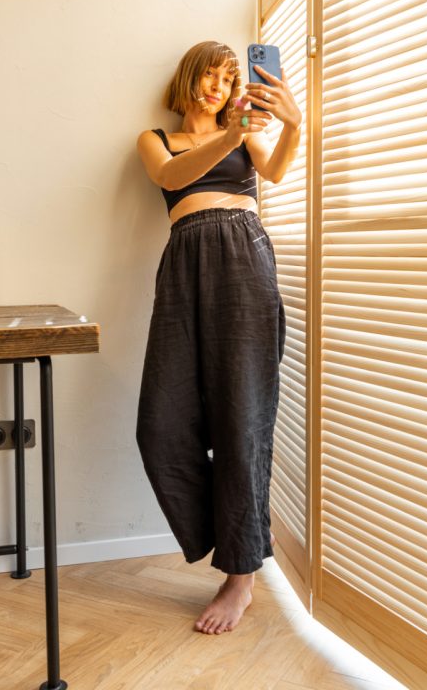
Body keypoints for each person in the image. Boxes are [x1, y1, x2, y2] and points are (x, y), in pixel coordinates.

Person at [136, 40, 301, 635]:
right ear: (189, 78)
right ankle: (246, 528)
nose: (219, 86)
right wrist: (229, 137)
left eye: (230, 78)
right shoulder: (156, 138)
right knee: (160, 424)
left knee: (242, 417)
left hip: (244, 257)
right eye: (211, 74)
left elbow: (277, 170)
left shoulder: (247, 134)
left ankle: (240, 575)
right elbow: (171, 175)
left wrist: (293, 123)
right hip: (183, 264)